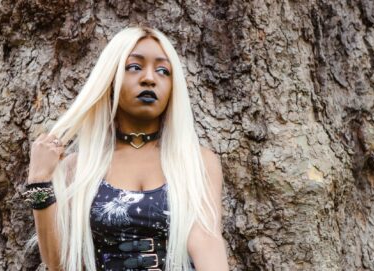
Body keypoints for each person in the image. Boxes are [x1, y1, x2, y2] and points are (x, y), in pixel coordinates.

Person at [25, 26, 229, 271]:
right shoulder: (79, 168)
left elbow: (207, 243)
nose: (150, 78)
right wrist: (39, 182)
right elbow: (58, 264)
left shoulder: (197, 163)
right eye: (134, 67)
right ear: (109, 79)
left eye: (163, 71)